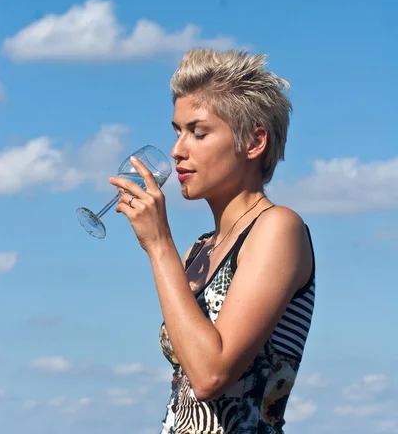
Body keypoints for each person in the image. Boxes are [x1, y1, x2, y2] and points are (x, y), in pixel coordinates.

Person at [109, 49, 315, 434]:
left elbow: (210, 376)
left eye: (198, 132)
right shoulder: (199, 250)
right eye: (177, 131)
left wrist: (158, 244)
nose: (177, 150)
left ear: (254, 143)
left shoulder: (278, 229)